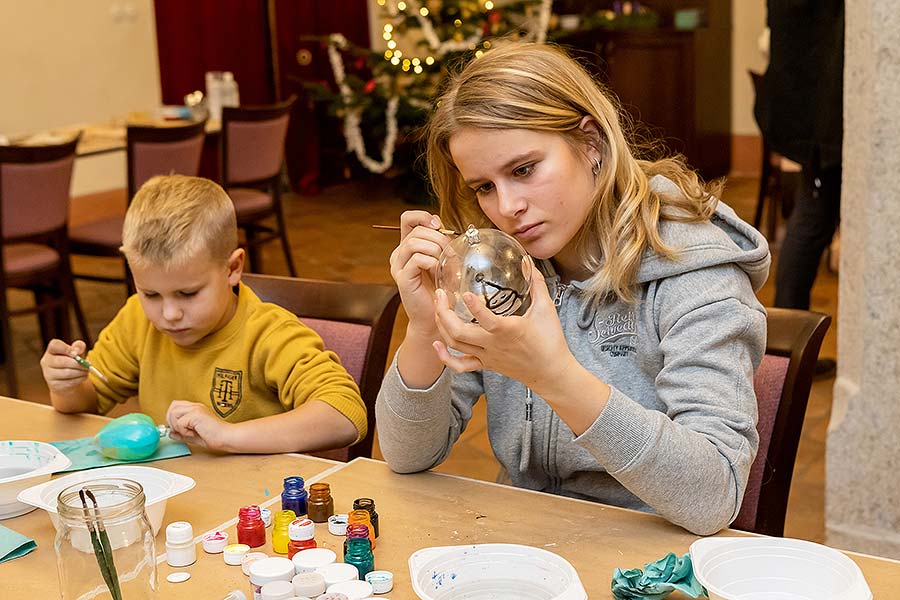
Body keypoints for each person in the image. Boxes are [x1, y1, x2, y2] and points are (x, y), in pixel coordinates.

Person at [375, 42, 770, 535]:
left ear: (591, 144)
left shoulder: (696, 272)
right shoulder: (499, 268)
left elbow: (714, 495)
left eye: (523, 170)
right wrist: (424, 327)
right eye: (484, 187)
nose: (507, 207)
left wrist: (553, 375)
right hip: (528, 541)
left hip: (651, 557)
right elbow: (408, 455)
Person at [40, 175, 366, 454]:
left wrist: (228, 436)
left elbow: (346, 416)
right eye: (151, 294)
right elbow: (88, 402)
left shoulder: (269, 334)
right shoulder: (137, 319)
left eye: (189, 293)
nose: (169, 314)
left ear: (233, 268)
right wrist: (67, 386)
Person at [754, 0, 843, 375]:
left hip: (812, 111)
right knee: (811, 223)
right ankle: (788, 357)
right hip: (822, 112)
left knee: (812, 221)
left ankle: (790, 355)